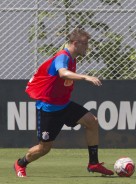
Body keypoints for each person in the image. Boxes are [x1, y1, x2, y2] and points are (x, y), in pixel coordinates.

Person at [14, 28, 114, 177]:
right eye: (85, 44)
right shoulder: (63, 56)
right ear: (75, 43)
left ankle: (94, 163)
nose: (87, 47)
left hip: (64, 105)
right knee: (44, 148)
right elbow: (62, 73)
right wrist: (86, 77)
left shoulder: (72, 58)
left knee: (92, 121)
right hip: (49, 109)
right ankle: (20, 163)